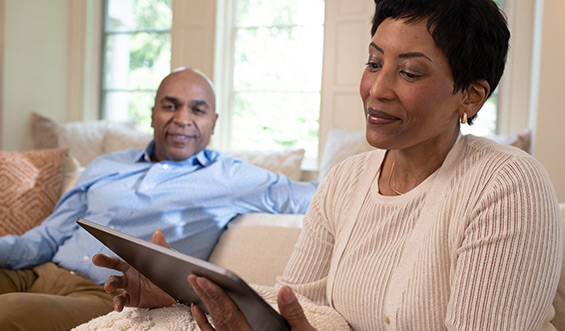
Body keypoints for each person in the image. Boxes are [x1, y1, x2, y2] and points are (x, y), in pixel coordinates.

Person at [89, 0, 563, 329]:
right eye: (374, 62)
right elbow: (300, 303)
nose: (377, 88)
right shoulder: (347, 179)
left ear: (472, 94)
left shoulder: (506, 184)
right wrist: (181, 297)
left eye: (410, 71)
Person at [0, 68, 318, 330]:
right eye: (170, 106)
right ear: (153, 113)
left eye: (197, 109)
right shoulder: (106, 164)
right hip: (36, 271)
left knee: (7, 314)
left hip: (103, 296)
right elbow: (47, 236)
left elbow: (311, 194)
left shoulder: (232, 178)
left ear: (213, 122)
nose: (182, 118)